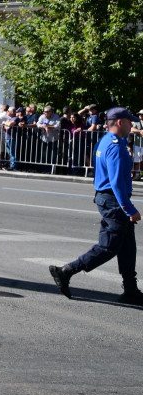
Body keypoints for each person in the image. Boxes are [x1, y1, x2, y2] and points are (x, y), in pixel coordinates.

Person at [49, 107, 143, 304]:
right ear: (120, 122)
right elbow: (116, 183)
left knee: (127, 247)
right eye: (129, 121)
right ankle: (66, 271)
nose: (132, 125)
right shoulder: (115, 146)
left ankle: (131, 289)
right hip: (114, 200)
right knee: (108, 246)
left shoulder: (106, 140)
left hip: (108, 197)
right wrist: (129, 209)